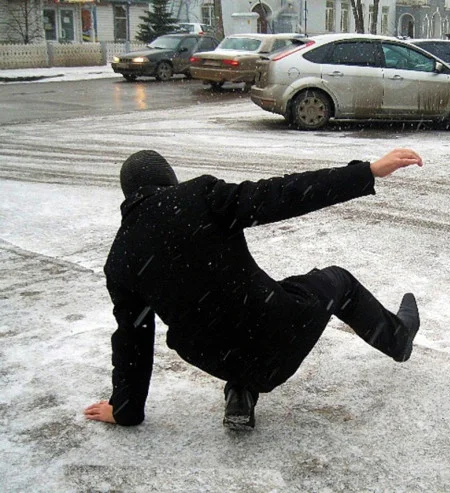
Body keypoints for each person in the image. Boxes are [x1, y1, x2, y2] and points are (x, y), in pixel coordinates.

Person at [84, 148, 423, 430]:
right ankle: (399, 339)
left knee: (223, 312)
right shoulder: (199, 197)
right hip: (278, 335)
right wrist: (367, 172)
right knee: (339, 281)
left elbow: (133, 339)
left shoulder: (120, 258)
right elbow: (281, 195)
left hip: (219, 358)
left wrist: (124, 409)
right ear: (168, 180)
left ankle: (241, 391)